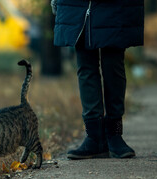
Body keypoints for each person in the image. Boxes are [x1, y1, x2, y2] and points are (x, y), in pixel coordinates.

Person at [51, 0, 144, 159]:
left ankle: (115, 134)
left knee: (113, 66)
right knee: (85, 67)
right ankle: (94, 137)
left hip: (114, 7)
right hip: (77, 6)